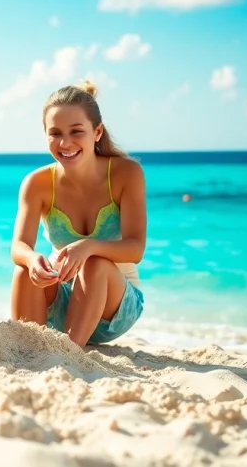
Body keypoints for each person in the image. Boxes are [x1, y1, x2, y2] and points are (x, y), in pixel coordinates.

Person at [10, 80, 146, 348]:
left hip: (114, 308)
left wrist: (88, 247)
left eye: (76, 132)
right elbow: (18, 246)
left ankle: (69, 353)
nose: (65, 142)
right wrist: (32, 258)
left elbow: (135, 249)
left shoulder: (126, 173)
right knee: (23, 271)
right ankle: (25, 350)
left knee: (94, 262)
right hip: (61, 302)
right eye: (55, 133)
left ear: (97, 132)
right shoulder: (36, 183)